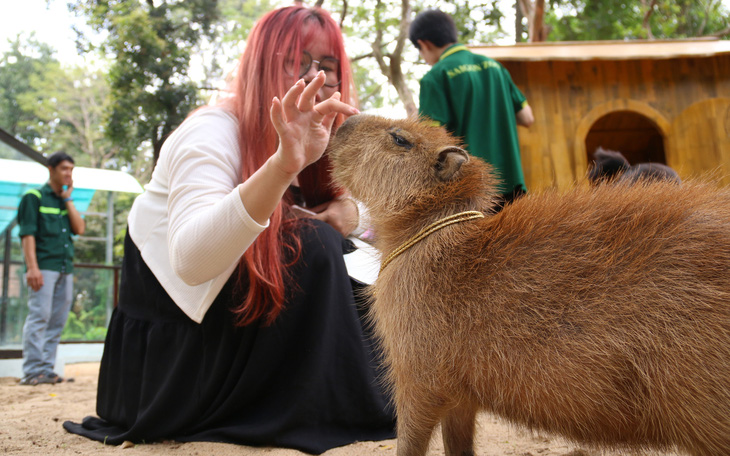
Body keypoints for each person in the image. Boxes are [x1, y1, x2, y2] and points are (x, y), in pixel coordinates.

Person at [63, 5, 395, 454]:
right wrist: (281, 167)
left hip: (243, 331)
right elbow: (192, 261)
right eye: (296, 62)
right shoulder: (210, 132)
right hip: (178, 356)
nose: (312, 79)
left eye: (327, 68)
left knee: (345, 252)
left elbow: (387, 218)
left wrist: (351, 213)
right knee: (314, 244)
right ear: (261, 64)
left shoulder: (324, 137)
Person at [409, 9, 535, 209]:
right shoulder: (496, 68)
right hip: (512, 183)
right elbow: (527, 117)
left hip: (473, 192)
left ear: (424, 43)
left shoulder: (435, 77)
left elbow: (435, 137)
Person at [17, 151, 85, 386]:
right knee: (39, 317)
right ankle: (32, 371)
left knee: (57, 321)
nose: (68, 173)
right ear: (51, 170)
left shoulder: (65, 201)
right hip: (44, 267)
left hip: (65, 267)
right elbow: (27, 235)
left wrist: (68, 200)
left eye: (71, 170)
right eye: (64, 169)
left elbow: (80, 229)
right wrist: (32, 268)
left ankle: (46, 369)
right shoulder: (33, 197)